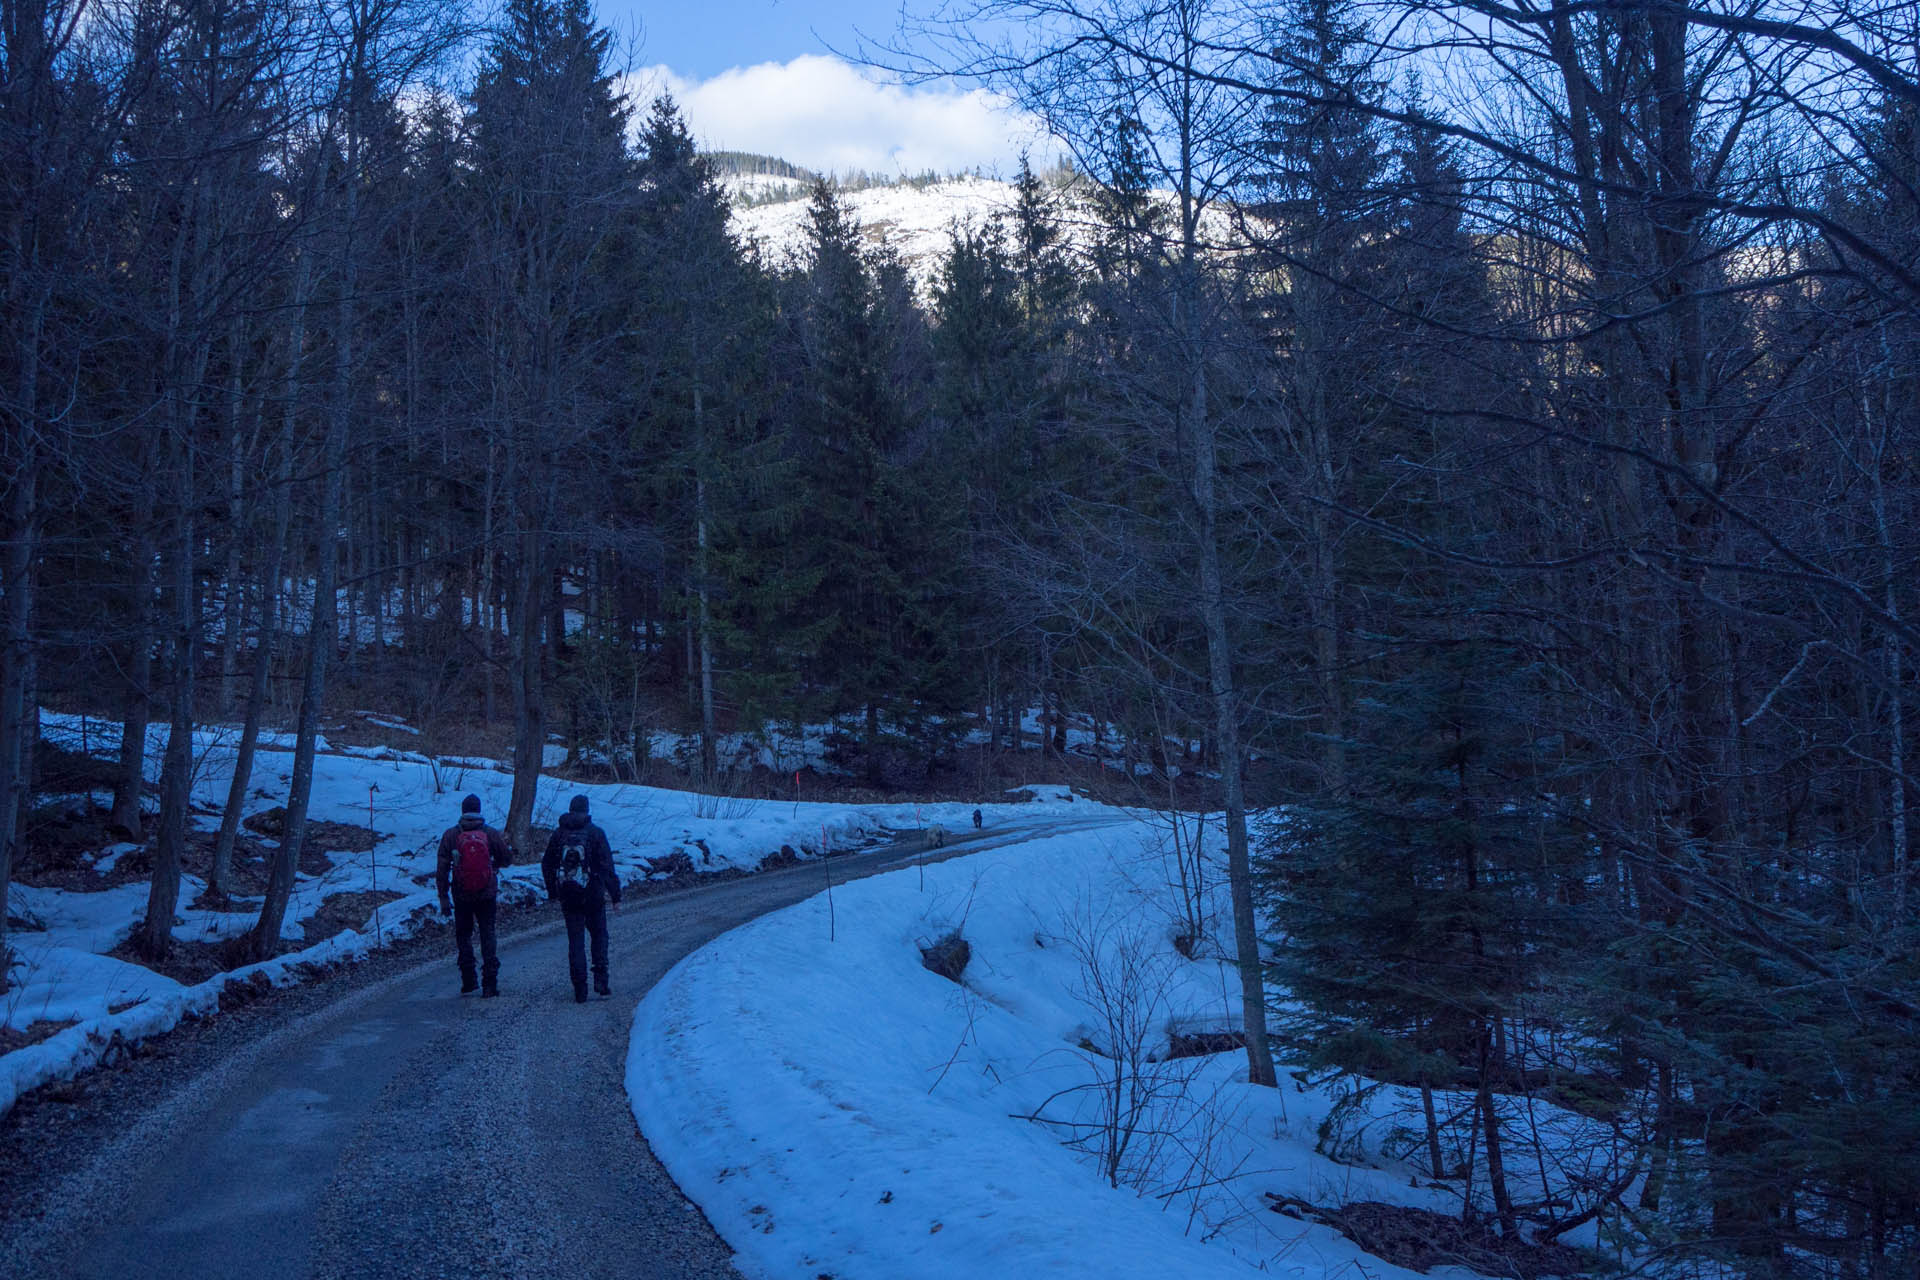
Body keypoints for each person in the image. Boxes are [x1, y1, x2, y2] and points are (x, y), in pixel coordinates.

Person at [542, 794, 621, 1003]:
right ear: (587, 811)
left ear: (570, 810)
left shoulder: (559, 834)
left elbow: (547, 863)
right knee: (599, 936)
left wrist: (553, 891)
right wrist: (615, 895)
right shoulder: (596, 833)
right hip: (593, 893)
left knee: (575, 941)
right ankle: (601, 982)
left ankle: (580, 989)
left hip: (569, 894)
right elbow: (607, 867)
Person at [436, 794, 513, 996]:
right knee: (488, 933)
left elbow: (442, 867)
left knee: (464, 934)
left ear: (463, 811)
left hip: (461, 894)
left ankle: (468, 979)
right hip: (486, 892)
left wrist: (443, 897)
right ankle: (490, 982)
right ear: (479, 810)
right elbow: (507, 859)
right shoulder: (490, 833)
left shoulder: (451, 835)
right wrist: (492, 865)